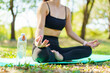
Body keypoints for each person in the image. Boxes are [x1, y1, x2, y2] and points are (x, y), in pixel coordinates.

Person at [32, 0, 100, 63]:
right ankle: (56, 56)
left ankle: (61, 57)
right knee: (41, 54)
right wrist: (38, 42)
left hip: (57, 48)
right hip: (42, 46)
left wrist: (85, 43)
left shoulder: (66, 10)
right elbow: (40, 28)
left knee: (87, 50)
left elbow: (70, 32)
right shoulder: (44, 5)